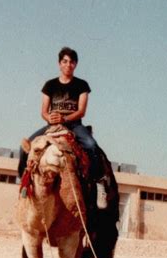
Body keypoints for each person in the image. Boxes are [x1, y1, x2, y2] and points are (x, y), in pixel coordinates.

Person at [18, 47, 107, 209]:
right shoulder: (50, 85)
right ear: (59, 64)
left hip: (74, 125)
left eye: (72, 62)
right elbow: (44, 111)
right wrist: (49, 117)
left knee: (92, 146)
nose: (68, 65)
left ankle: (99, 183)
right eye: (65, 61)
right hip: (52, 126)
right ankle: (24, 182)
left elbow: (81, 111)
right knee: (25, 147)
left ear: (76, 65)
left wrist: (64, 118)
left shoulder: (82, 85)